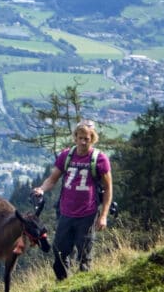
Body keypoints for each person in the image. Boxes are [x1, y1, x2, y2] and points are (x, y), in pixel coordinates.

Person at [33, 119, 113, 280]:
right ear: (75, 138)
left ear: (93, 139)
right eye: (80, 138)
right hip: (66, 213)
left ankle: (83, 289)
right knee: (60, 251)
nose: (83, 142)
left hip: (87, 214)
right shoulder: (66, 156)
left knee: (84, 254)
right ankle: (62, 284)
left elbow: (108, 188)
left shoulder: (100, 159)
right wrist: (41, 189)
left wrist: (103, 215)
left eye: (87, 138)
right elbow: (53, 179)